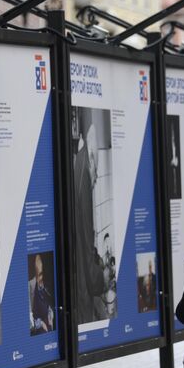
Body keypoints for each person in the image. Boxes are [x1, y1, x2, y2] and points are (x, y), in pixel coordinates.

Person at [73, 124, 106, 324]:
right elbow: (86, 230)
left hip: (80, 248)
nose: (97, 177)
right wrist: (95, 266)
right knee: (87, 295)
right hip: (82, 252)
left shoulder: (81, 160)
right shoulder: (85, 169)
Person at [29, 254, 54, 335]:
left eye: (42, 274)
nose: (41, 279)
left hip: (47, 322)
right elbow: (28, 322)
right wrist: (40, 324)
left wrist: (50, 313)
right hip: (38, 328)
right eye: (39, 275)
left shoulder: (43, 284)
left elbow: (48, 304)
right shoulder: (29, 287)